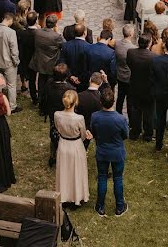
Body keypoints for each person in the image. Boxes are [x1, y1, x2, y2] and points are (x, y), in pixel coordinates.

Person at [91, 87, 130, 217]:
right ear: (113, 102)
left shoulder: (95, 117)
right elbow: (125, 135)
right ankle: (119, 206)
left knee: (102, 177)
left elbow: (93, 132)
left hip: (102, 152)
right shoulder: (120, 119)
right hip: (117, 152)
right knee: (118, 178)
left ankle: (100, 206)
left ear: (101, 102)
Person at [55, 90, 91, 206]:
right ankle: (77, 196)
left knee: (64, 170)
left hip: (63, 144)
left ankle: (64, 196)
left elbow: (57, 128)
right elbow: (83, 136)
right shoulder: (79, 118)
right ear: (75, 102)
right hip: (75, 145)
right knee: (76, 171)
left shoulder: (57, 114)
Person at [125, 33, 157, 141]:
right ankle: (148, 134)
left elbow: (129, 64)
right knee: (149, 112)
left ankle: (135, 132)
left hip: (135, 85)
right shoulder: (153, 57)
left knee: (135, 111)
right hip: (148, 88)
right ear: (149, 43)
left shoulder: (131, 53)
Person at [31, 14, 65, 114]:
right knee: (50, 86)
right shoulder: (56, 36)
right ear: (55, 24)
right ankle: (48, 106)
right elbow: (64, 44)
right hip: (51, 64)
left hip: (40, 62)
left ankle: (41, 106)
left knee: (41, 85)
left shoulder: (37, 32)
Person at [0, 11, 21, 113]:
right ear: (10, 20)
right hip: (9, 63)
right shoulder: (11, 32)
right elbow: (14, 50)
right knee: (11, 85)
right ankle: (12, 106)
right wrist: (16, 61)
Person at [45, 64, 77, 167]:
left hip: (53, 114)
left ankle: (52, 155)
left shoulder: (49, 84)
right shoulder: (69, 89)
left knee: (53, 133)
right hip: (65, 115)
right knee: (65, 135)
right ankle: (63, 156)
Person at [77, 72, 105, 149]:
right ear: (101, 83)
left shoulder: (79, 95)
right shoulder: (101, 99)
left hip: (81, 126)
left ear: (90, 80)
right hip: (94, 127)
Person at [114, 24, 137, 113]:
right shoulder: (133, 48)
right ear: (131, 34)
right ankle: (131, 121)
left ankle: (118, 113)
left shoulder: (117, 43)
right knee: (129, 100)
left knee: (120, 97)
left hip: (120, 74)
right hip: (129, 76)